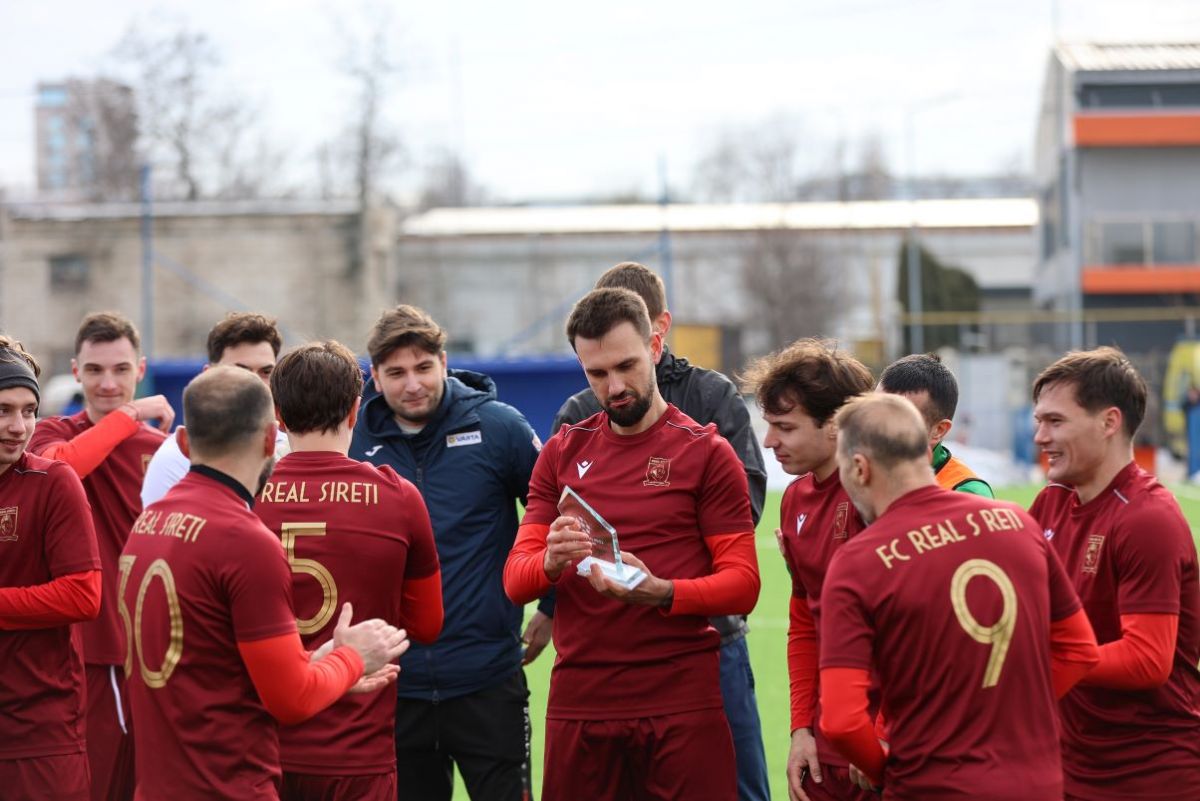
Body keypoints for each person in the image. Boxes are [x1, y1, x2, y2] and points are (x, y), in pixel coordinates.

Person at [504, 287, 760, 801]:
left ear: (655, 346)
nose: (615, 386)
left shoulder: (707, 453)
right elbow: (516, 579)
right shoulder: (562, 452)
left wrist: (663, 592)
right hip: (582, 703)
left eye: (627, 366)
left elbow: (743, 584)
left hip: (681, 702)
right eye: (597, 374)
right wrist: (549, 562)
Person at [120, 365, 409, 799]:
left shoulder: (147, 524)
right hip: (227, 787)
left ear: (183, 442)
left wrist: (318, 659)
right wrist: (353, 658)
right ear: (272, 438)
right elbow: (292, 700)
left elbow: (211, 664)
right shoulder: (243, 537)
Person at [819, 392, 1100, 799]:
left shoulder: (858, 562)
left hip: (930, 784)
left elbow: (841, 721)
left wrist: (883, 771)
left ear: (860, 468)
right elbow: (1079, 651)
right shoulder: (1018, 522)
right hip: (1035, 783)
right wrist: (1007, 713)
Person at [350, 304, 544, 800]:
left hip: (488, 680)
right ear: (375, 377)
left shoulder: (499, 428)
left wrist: (553, 605)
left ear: (443, 362)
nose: (413, 384)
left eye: (423, 367)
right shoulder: (352, 443)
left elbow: (557, 516)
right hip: (397, 687)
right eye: (397, 373)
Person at [256, 340, 444, 801]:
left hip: (260, 750)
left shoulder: (244, 496)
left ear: (279, 416)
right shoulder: (398, 497)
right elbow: (426, 625)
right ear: (356, 410)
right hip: (357, 751)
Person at [1028, 347, 1200, 801]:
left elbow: (1147, 659)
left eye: (1055, 421)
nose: (1040, 436)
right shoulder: (1050, 502)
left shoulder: (1147, 518)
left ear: (1108, 422)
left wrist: (1038, 657)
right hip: (1068, 766)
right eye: (1039, 421)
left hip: (1150, 775)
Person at [28, 311, 172, 801]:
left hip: (160, 649)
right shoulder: (52, 434)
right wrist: (128, 416)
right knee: (93, 783)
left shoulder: (166, 450)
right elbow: (61, 469)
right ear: (75, 371)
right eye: (94, 370)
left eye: (121, 369)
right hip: (90, 650)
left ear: (141, 369)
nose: (108, 383)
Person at [740, 338, 874, 801]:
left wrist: (880, 732)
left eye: (785, 427)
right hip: (826, 740)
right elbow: (804, 621)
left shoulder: (878, 496)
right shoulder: (795, 499)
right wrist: (801, 728)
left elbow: (912, 632)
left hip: (884, 740)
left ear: (836, 426)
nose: (769, 441)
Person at [0, 337, 101, 800]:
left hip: (38, 730)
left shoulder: (52, 483)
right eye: (3, 410)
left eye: (29, 411)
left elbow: (84, 594)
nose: (18, 426)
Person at [141, 312, 285, 507]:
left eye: (266, 372)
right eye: (240, 371)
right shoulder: (172, 459)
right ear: (208, 375)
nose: (255, 383)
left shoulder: (290, 448)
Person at [877, 353, 992, 497]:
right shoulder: (857, 473)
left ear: (938, 430)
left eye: (898, 418)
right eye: (873, 409)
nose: (876, 426)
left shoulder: (965, 493)